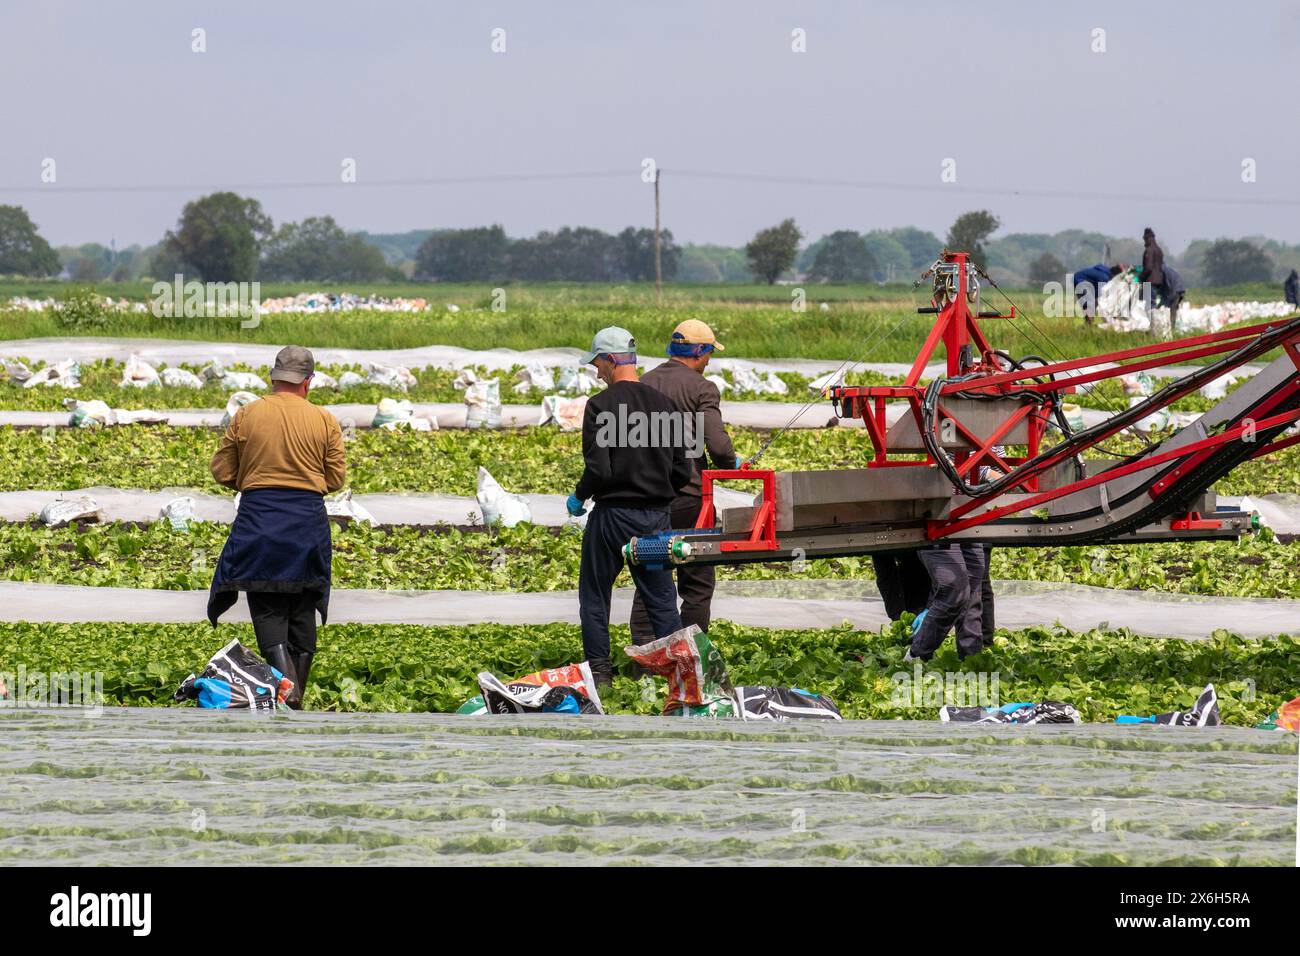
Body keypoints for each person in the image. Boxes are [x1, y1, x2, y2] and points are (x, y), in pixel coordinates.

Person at [208, 345, 346, 709]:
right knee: (302, 611)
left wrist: (255, 476)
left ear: (274, 378)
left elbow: (222, 471)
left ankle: (291, 701)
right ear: (308, 382)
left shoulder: (247, 414)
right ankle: (293, 701)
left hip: (261, 522)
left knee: (268, 607)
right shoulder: (324, 420)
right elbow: (335, 479)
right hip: (306, 525)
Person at [568, 326, 693, 689]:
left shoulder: (600, 406)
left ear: (610, 360)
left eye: (597, 364)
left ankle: (601, 676)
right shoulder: (665, 405)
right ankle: (678, 680)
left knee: (594, 595)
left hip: (611, 516)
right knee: (661, 599)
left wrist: (580, 497)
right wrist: (658, 495)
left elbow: (599, 468)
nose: (596, 372)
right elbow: (684, 468)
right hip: (655, 518)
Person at [628, 319, 737, 646]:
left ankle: (645, 660)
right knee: (697, 581)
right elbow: (717, 445)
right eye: (709, 354)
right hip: (688, 497)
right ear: (700, 352)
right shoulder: (702, 388)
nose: (709, 362)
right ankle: (690, 657)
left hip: (646, 497)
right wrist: (731, 463)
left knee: (649, 575)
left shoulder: (643, 383)